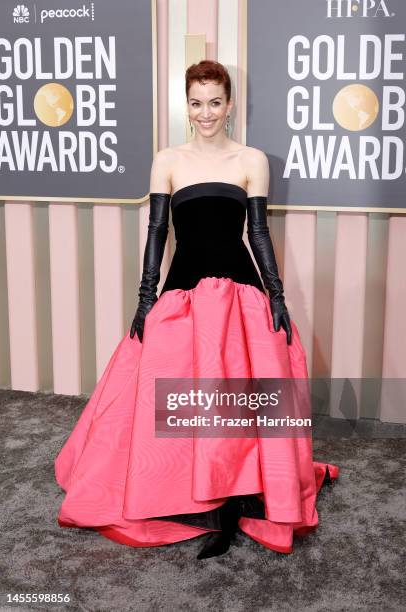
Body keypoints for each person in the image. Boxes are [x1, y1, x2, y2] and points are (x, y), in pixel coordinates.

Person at [55, 60, 339, 560]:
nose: (205, 112)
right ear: (186, 106)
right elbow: (157, 234)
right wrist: (146, 299)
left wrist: (276, 295)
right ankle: (191, 496)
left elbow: (258, 233)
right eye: (195, 102)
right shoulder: (169, 159)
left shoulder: (251, 159)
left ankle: (237, 497)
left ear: (229, 105)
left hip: (240, 293)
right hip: (183, 292)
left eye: (214, 102)